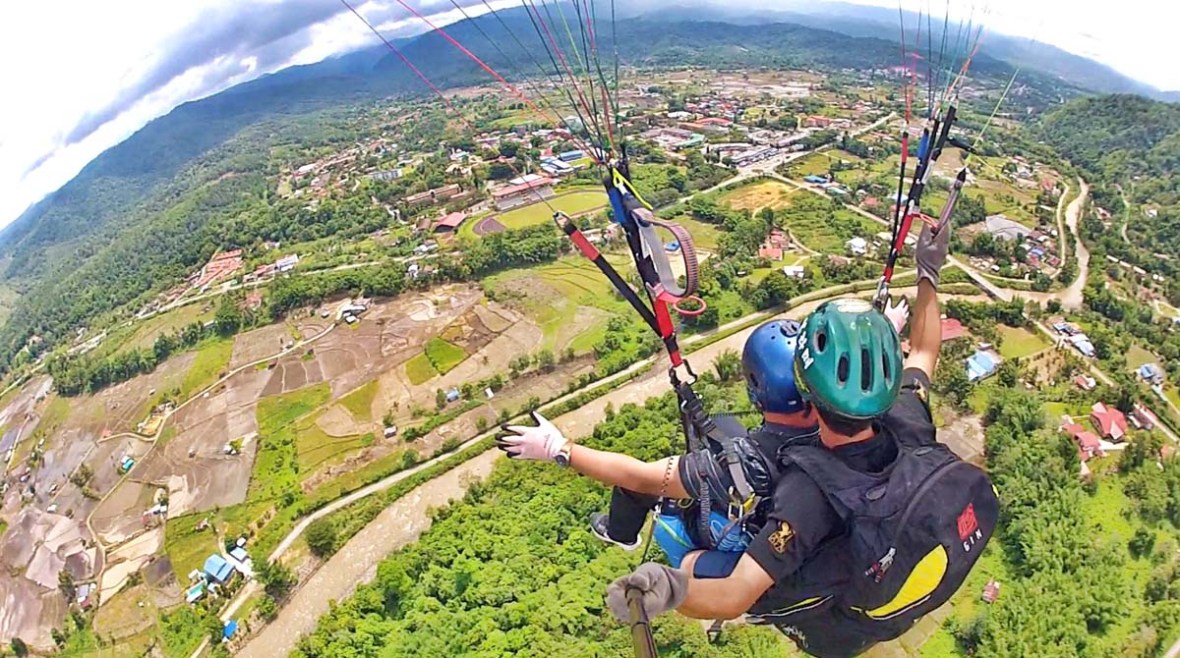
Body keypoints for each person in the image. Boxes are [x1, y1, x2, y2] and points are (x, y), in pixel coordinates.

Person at [603, 222, 999, 658]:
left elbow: (735, 594)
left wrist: (671, 588)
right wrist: (929, 273)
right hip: (885, 575)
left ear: (806, 393)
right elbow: (924, 352)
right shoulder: (907, 416)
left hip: (831, 625)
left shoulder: (809, 491)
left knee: (693, 562)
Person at [496, 318, 819, 579]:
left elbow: (638, 476)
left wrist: (558, 448)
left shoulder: (747, 464)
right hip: (795, 510)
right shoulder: (839, 428)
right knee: (723, 426)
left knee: (639, 489)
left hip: (748, 540)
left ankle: (620, 532)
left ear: (756, 388)